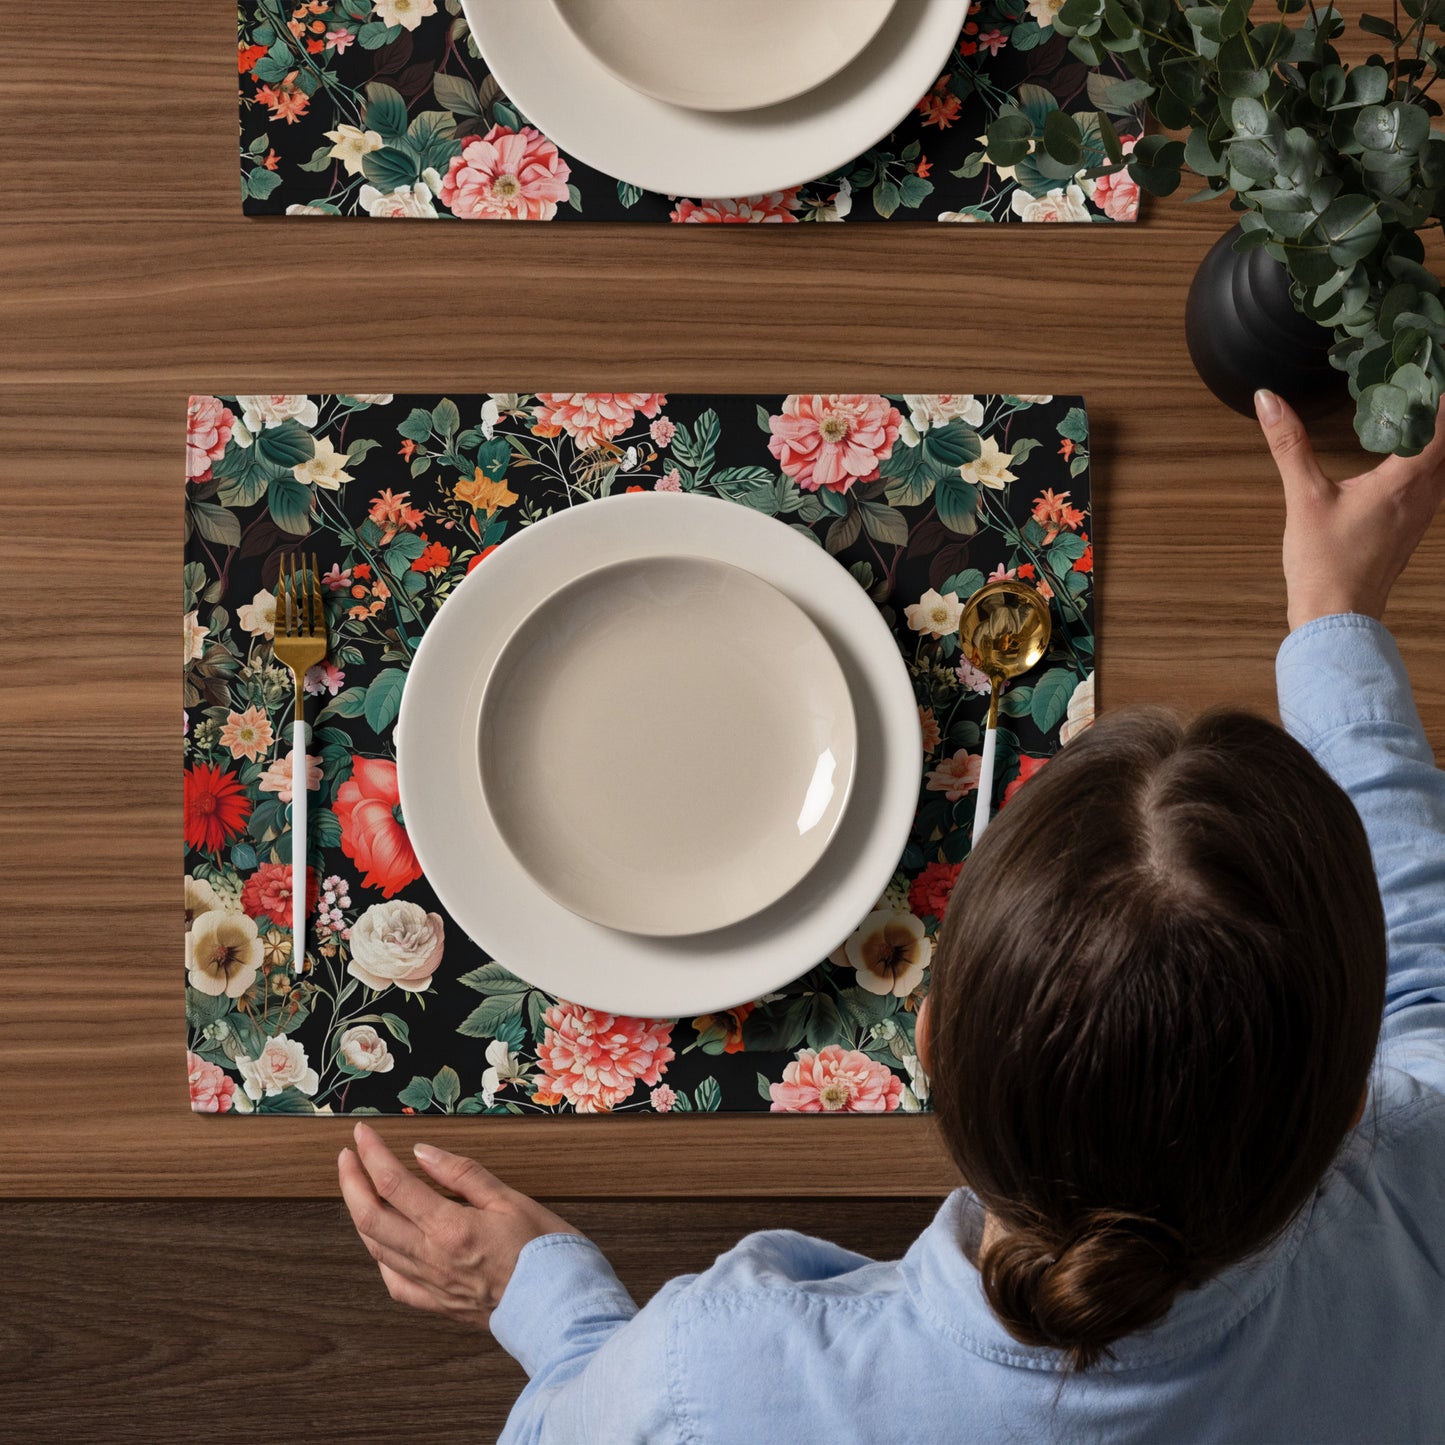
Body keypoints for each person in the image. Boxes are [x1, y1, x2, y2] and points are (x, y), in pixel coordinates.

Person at [338, 391, 1445, 1443]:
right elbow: (1423, 986)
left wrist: (551, 1307)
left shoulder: (711, 1381)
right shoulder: (1418, 1196)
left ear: (925, 1043)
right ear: (1350, 1105)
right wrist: (1333, 620)